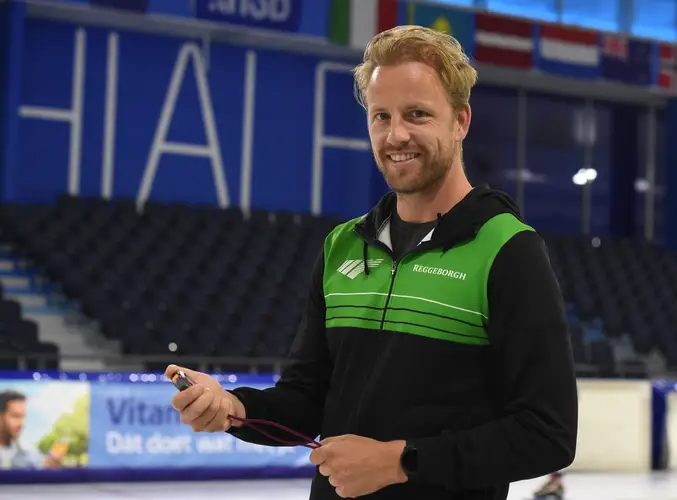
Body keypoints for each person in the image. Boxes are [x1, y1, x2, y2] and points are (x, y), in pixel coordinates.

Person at [168, 25, 578, 500]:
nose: (395, 134)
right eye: (381, 116)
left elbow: (547, 433)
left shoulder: (507, 249)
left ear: (461, 121)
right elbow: (306, 398)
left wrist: (401, 462)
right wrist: (233, 407)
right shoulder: (342, 245)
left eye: (417, 114)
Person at [0, 390, 64, 469]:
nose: (21, 424)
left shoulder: (26, 453)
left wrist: (49, 465)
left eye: (23, 417)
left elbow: (41, 464)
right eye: (15, 416)